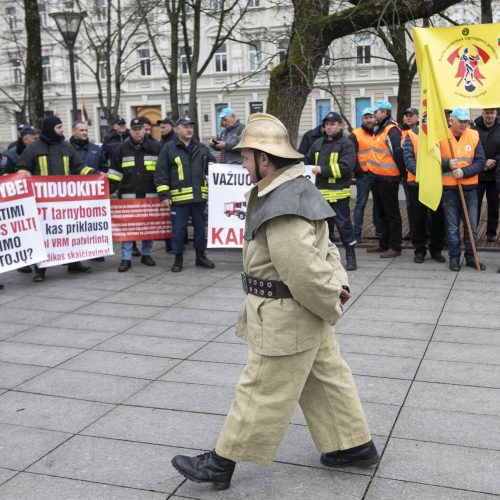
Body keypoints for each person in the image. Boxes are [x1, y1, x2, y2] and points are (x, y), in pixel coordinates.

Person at [171, 113, 378, 490]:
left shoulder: (283, 201)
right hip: (300, 311)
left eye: (247, 157)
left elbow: (302, 269)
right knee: (327, 379)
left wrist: (331, 300)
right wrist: (335, 289)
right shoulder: (291, 188)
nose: (243, 163)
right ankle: (353, 446)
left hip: (287, 315)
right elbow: (326, 250)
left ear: (265, 159)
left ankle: (221, 462)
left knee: (260, 389)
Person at [16, 115, 98, 282]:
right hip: (41, 203)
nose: (62, 130)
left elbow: (79, 167)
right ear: (50, 128)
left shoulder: (66, 147)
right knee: (42, 236)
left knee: (68, 233)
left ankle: (74, 263)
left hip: (64, 202)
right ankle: (40, 269)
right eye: (59, 127)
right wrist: (28, 177)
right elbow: (22, 169)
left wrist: (94, 175)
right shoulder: (33, 148)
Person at [155, 117, 215, 272]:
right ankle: (178, 259)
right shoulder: (168, 149)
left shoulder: (202, 148)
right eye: (185, 127)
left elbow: (211, 168)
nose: (189, 129)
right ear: (177, 130)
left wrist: (213, 165)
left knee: (200, 229)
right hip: (178, 199)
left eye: (191, 127)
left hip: (198, 198)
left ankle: (200, 257)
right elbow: (161, 173)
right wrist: (164, 195)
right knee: (179, 230)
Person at [108, 118, 162, 272]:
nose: (138, 131)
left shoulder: (155, 147)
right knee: (127, 229)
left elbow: (162, 171)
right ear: (129, 131)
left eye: (140, 128)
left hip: (150, 195)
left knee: (148, 228)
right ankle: (126, 259)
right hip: (128, 197)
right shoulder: (121, 149)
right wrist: (107, 192)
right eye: (134, 129)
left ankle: (146, 254)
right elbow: (114, 173)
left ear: (145, 130)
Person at [305, 111, 357, 270]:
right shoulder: (317, 143)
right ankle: (324, 258)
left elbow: (346, 168)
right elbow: (307, 161)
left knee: (344, 226)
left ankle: (350, 255)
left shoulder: (346, 144)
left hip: (338, 194)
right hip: (319, 195)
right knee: (321, 229)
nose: (329, 127)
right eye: (326, 124)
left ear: (340, 126)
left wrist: (322, 170)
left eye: (332, 124)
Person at [440, 108, 486, 271]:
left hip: (470, 189)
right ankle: (454, 258)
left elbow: (480, 161)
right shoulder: (441, 136)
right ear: (451, 120)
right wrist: (446, 164)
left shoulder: (473, 135)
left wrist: (464, 172)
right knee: (452, 227)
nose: (464, 124)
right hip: (450, 190)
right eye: (460, 121)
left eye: (466, 121)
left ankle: (471, 258)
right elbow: (432, 161)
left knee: (471, 227)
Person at [366, 100, 405, 258]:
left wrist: (401, 174)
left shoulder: (391, 130)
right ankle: (384, 243)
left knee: (392, 214)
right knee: (381, 213)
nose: (374, 114)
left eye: (376, 111)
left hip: (388, 179)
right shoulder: (379, 129)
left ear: (384, 112)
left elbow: (398, 152)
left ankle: (395, 247)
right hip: (377, 178)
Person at [403, 126, 445, 263]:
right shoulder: (412, 134)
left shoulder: (440, 133)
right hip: (417, 183)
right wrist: (423, 174)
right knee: (418, 219)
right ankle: (419, 250)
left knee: (437, 218)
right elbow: (408, 158)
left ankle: (436, 250)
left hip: (436, 183)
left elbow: (443, 157)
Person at [349, 107, 381, 242]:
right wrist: (359, 173)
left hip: (378, 174)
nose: (369, 120)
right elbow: (351, 156)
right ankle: (357, 234)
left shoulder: (379, 133)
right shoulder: (355, 135)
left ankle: (379, 231)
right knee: (361, 204)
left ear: (375, 119)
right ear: (362, 119)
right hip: (364, 175)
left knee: (379, 204)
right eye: (366, 118)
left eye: (371, 117)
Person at [472, 108, 500, 243]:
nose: (489, 116)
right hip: (477, 174)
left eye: (492, 113)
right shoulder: (473, 129)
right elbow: (470, 149)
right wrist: (482, 162)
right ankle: (473, 231)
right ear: (482, 114)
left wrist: (494, 160)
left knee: (494, 206)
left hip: (495, 175)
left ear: (495, 114)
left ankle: (491, 232)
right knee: (474, 205)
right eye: (487, 113)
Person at [401, 107, 419, 240]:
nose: (408, 118)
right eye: (406, 115)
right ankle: (413, 230)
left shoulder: (420, 133)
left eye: (411, 115)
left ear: (417, 118)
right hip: (406, 175)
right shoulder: (400, 131)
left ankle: (424, 232)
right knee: (410, 205)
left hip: (418, 174)